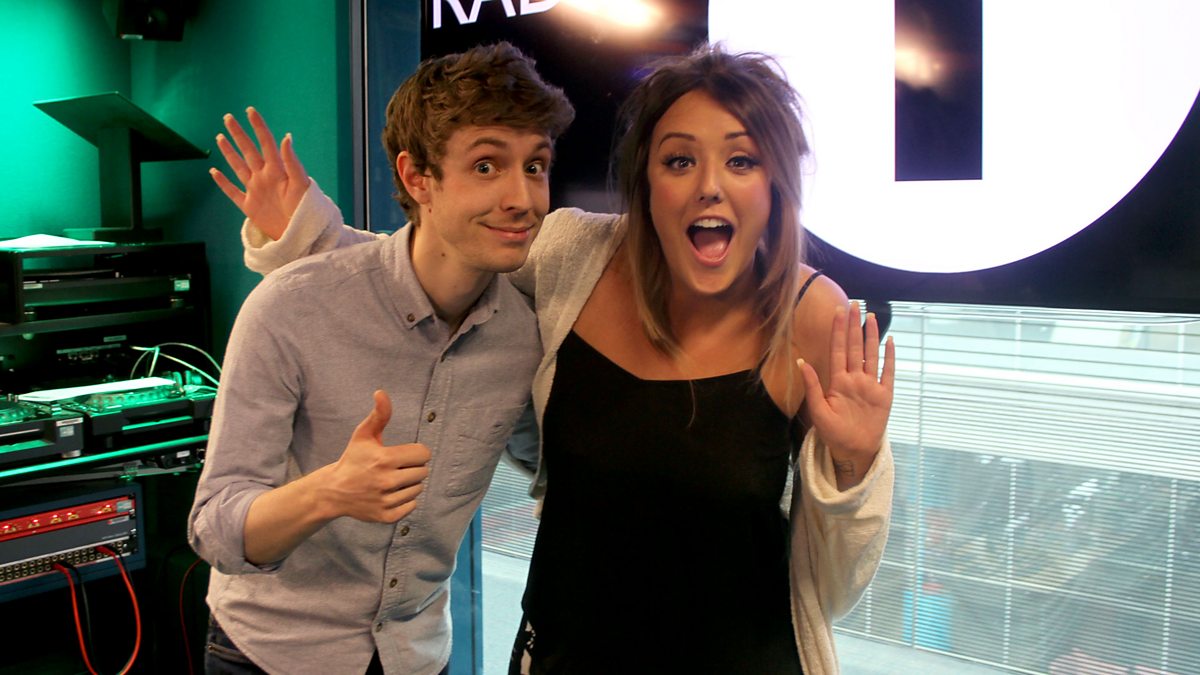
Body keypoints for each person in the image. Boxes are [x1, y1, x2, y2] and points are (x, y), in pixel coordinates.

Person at [227, 44, 895, 675]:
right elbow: (441, 265)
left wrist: (855, 465)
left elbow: (833, 581)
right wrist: (311, 238)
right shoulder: (575, 255)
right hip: (560, 650)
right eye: (679, 161)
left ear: (775, 182)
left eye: (742, 160)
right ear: (646, 179)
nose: (709, 187)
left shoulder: (812, 316)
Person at [187, 42, 574, 675]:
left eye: (535, 166)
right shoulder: (289, 307)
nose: (522, 198)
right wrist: (329, 492)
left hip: (416, 656)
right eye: (486, 166)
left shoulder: (525, 336)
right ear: (418, 178)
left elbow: (557, 463)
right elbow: (215, 529)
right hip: (271, 655)